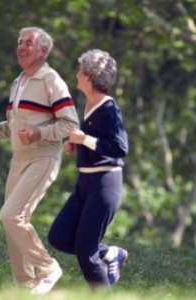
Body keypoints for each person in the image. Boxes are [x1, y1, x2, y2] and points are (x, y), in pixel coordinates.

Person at [0, 26, 79, 294]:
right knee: (11, 225)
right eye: (20, 42)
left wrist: (39, 133)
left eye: (28, 42)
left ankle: (48, 268)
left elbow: (70, 123)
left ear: (43, 50)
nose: (22, 46)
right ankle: (25, 289)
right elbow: (12, 127)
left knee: (11, 214)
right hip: (19, 159)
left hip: (43, 157)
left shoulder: (52, 80)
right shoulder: (17, 82)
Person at [48, 49, 129, 289]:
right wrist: (78, 145)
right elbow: (95, 140)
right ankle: (111, 253)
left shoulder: (109, 108)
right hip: (85, 185)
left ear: (90, 76)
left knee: (86, 252)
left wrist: (84, 140)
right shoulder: (90, 104)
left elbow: (119, 147)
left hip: (105, 185)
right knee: (59, 237)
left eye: (80, 70)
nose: (77, 73)